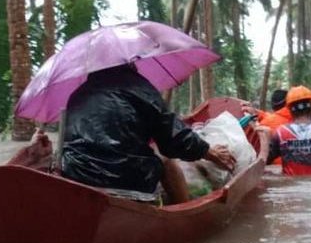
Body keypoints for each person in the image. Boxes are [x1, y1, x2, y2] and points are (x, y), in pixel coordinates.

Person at [61, 64, 236, 203]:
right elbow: (174, 139)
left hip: (77, 179)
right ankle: (183, 213)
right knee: (165, 159)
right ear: (127, 62)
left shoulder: (77, 95)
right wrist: (209, 152)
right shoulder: (137, 87)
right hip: (128, 182)